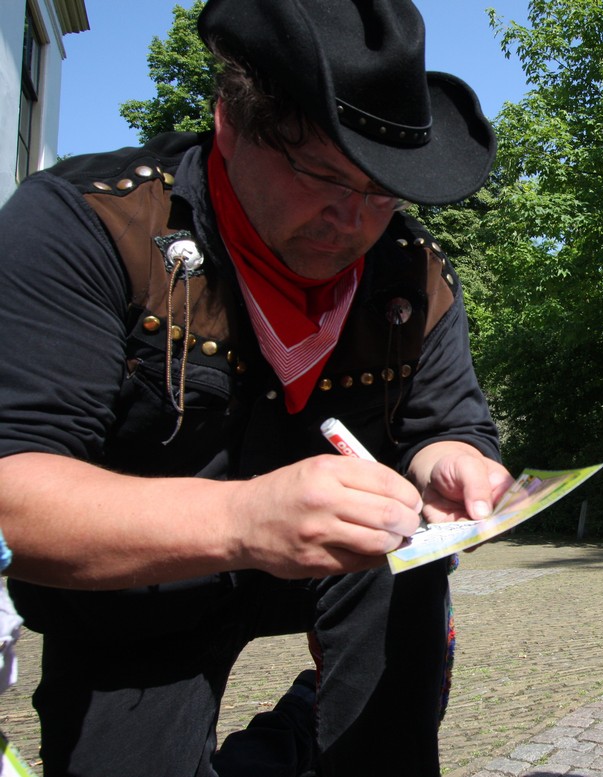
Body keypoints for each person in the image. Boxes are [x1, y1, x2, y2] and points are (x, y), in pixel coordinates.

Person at [0, 0, 511, 775]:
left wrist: (452, 459)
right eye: (324, 174)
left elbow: (451, 424)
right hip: (135, 592)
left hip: (355, 576)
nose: (353, 219)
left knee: (400, 616)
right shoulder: (87, 225)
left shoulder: (415, 277)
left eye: (382, 189)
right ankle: (299, 729)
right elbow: (12, 493)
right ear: (231, 123)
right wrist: (246, 518)